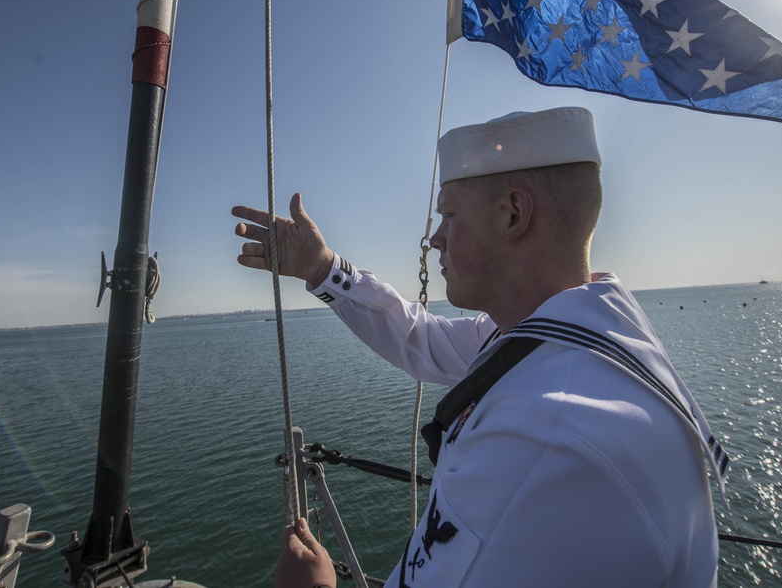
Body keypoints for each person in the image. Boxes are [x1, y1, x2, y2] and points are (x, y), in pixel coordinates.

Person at [233, 107, 727, 588]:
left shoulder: (544, 442)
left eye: (448, 215)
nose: (435, 238)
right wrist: (323, 269)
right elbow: (421, 337)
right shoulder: (566, 332)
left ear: (512, 215)